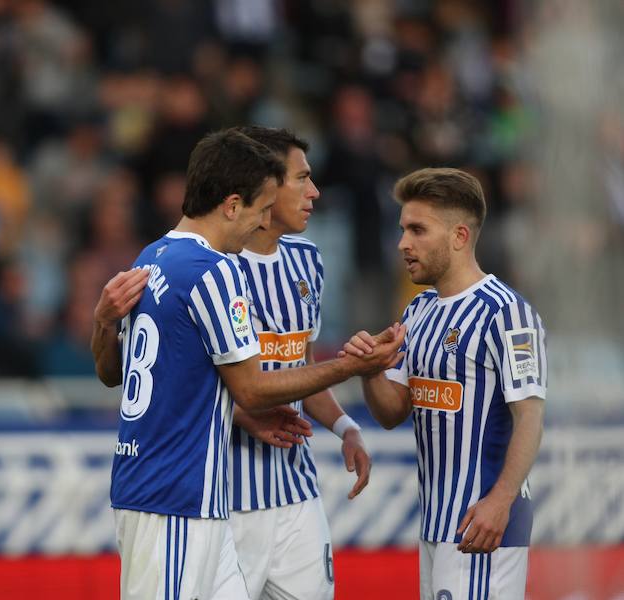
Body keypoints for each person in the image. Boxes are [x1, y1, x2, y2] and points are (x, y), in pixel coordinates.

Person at [92, 128, 405, 600]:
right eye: (261, 209)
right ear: (233, 205)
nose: (262, 221)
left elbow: (114, 374)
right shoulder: (212, 270)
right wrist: (352, 366)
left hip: (189, 494)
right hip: (174, 495)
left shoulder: (152, 256)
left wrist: (102, 322)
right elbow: (253, 390)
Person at [341, 168, 546, 599]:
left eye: (417, 230)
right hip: (437, 524)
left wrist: (500, 501)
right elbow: (393, 411)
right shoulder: (419, 310)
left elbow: (529, 415)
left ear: (459, 236)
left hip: (485, 525)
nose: (402, 244)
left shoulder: (507, 313)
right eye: (402, 229)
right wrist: (369, 368)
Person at [228, 126, 370, 600]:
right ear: (265, 187)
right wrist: (239, 412)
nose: (314, 192)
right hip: (225, 501)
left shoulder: (308, 260)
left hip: (296, 493)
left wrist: (345, 426)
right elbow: (178, 380)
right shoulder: (211, 267)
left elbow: (302, 367)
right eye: (302, 179)